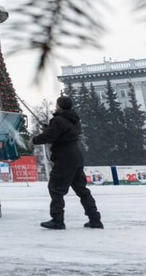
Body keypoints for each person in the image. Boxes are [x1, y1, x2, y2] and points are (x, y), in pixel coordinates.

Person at [32, 95, 104, 230]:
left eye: (57, 104)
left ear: (60, 106)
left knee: (56, 188)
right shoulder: (75, 120)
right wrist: (49, 127)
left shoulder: (58, 120)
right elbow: (64, 132)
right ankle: (95, 219)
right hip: (76, 156)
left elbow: (50, 136)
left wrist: (34, 140)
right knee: (82, 190)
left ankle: (57, 220)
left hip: (64, 158)